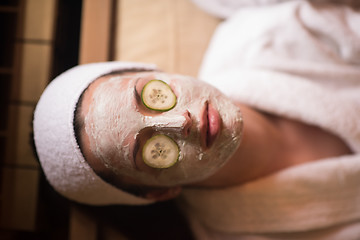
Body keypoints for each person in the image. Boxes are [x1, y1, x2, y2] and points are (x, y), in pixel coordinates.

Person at [33, 0, 360, 239]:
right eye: (152, 150)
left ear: (156, 71)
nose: (180, 122)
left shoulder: (257, 36)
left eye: (152, 96)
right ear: (156, 193)